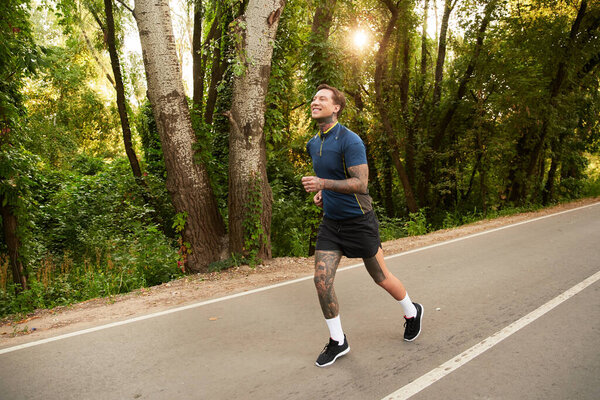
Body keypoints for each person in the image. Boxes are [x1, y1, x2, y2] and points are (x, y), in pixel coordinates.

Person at [302, 84, 423, 368]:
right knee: (322, 281)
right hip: (332, 224)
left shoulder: (350, 140)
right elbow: (332, 178)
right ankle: (338, 341)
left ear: (336, 107)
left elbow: (360, 184)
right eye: (313, 98)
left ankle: (411, 311)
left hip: (359, 221)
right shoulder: (312, 143)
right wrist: (324, 193)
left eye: (322, 98)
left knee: (381, 277)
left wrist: (323, 184)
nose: (314, 102)